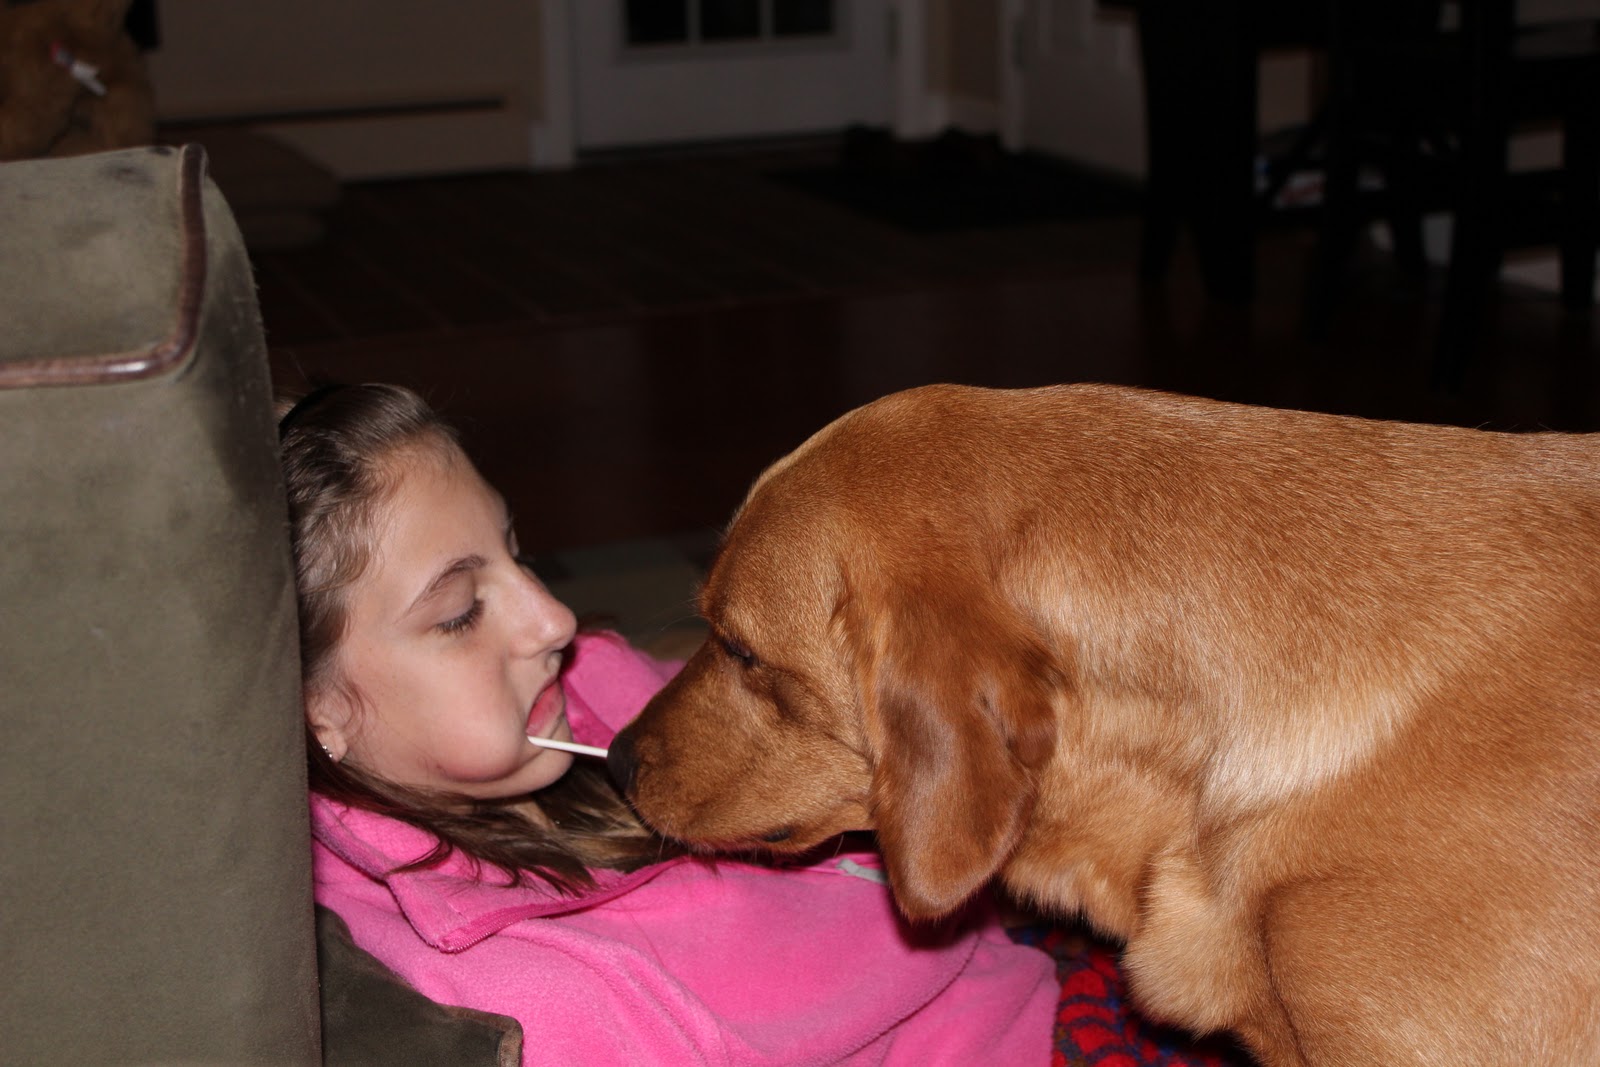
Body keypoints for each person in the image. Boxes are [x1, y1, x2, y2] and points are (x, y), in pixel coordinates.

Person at [278, 382, 1061, 1065]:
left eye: (517, 553)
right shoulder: (513, 997)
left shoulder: (588, 682)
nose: (554, 619)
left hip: (1015, 973)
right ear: (318, 710)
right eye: (460, 613)